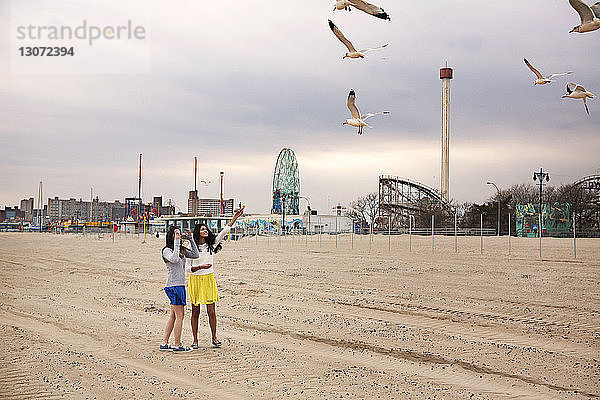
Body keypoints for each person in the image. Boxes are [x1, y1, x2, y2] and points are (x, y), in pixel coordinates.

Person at [187, 206, 245, 348]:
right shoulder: (192, 247)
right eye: (203, 229)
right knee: (195, 311)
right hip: (195, 279)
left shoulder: (211, 245)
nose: (205, 231)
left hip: (208, 279)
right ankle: (195, 340)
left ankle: (214, 337)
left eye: (206, 229)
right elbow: (186, 268)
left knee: (211, 311)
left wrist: (235, 217)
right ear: (198, 233)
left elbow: (224, 231)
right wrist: (200, 267)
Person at [160, 225, 199, 352]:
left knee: (173, 315)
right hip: (174, 286)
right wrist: (176, 242)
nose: (179, 235)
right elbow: (175, 259)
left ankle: (165, 343)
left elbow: (195, 254)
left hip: (178, 285)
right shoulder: (166, 250)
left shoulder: (180, 249)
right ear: (171, 236)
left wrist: (190, 239)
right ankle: (177, 345)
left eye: (179, 233)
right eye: (176, 233)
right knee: (180, 316)